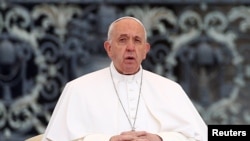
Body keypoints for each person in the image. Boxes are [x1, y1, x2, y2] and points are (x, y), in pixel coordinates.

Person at [42, 16, 207, 141]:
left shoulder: (171, 89)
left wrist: (160, 139)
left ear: (145, 50)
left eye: (137, 41)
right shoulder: (77, 89)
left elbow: (199, 137)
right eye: (122, 40)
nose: (130, 48)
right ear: (109, 48)